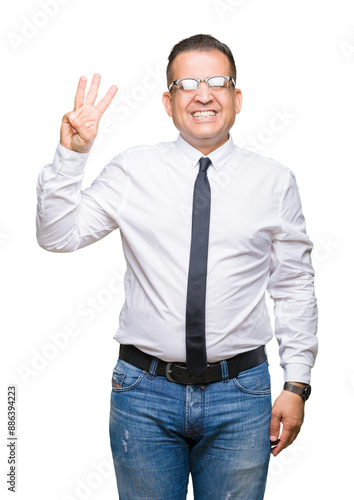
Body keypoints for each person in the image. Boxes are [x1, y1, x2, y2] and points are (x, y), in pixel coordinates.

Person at [36, 34, 318, 499]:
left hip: (242, 396)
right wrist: (72, 156)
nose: (203, 94)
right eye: (187, 83)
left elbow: (293, 286)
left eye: (217, 82)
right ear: (168, 102)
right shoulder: (132, 171)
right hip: (143, 394)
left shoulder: (274, 182)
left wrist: (297, 383)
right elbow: (57, 235)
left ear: (237, 97)